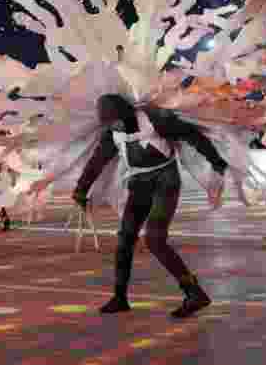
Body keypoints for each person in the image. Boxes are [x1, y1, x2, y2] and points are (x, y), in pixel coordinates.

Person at [72, 94, 227, 317]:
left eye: (115, 120)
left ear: (124, 113)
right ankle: (120, 297)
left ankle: (194, 293)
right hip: (139, 182)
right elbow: (97, 161)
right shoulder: (113, 133)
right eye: (109, 123)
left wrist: (216, 160)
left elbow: (192, 134)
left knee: (154, 239)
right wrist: (81, 189)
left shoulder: (154, 119)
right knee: (125, 238)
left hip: (166, 180)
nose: (114, 125)